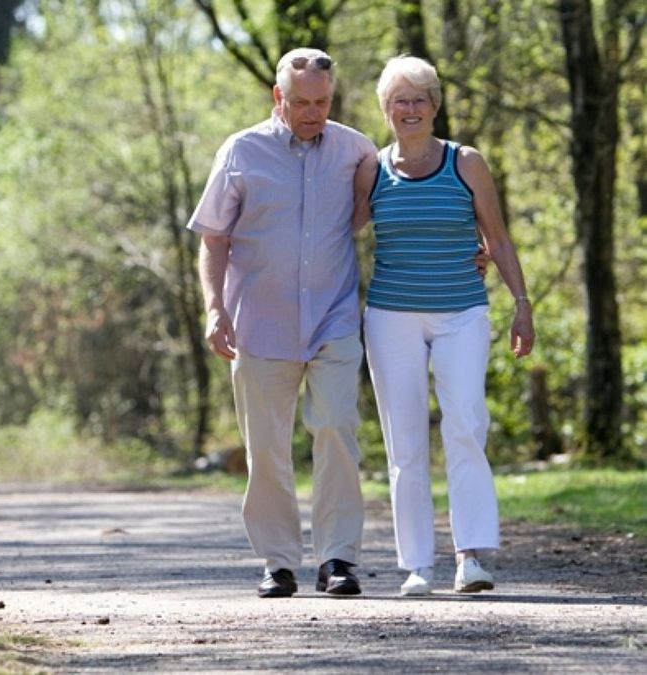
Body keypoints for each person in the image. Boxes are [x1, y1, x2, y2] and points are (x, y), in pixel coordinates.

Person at [186, 48, 376, 598]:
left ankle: (339, 558)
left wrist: (473, 248)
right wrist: (215, 308)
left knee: (337, 428)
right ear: (278, 98)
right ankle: (278, 561)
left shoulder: (355, 149)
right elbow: (214, 238)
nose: (313, 112)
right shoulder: (241, 151)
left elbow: (395, 204)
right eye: (301, 102)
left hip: (333, 318)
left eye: (322, 101)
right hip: (259, 325)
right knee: (266, 447)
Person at [352, 55, 535, 596]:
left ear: (435, 106)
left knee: (466, 425)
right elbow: (339, 232)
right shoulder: (372, 168)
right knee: (404, 442)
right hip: (390, 317)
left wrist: (521, 303)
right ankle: (416, 565)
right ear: (386, 110)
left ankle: (470, 557)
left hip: (462, 312)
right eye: (399, 101)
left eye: (419, 99)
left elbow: (497, 239)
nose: (409, 109)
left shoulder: (466, 162)